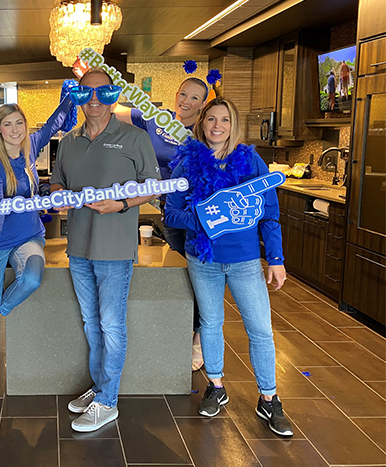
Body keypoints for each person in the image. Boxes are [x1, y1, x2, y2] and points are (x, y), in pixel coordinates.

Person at [164, 97, 294, 437]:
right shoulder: (188, 162)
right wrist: (204, 219)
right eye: (211, 119)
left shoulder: (250, 161)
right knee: (210, 323)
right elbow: (171, 213)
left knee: (261, 329)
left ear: (233, 125)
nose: (217, 126)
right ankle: (216, 386)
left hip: (245, 260)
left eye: (224, 120)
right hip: (202, 259)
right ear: (202, 123)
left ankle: (269, 398)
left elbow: (269, 213)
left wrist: (276, 259)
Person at [50, 68, 159, 433]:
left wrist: (124, 204)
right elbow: (57, 179)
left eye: (101, 92)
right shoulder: (68, 141)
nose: (93, 99)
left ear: (113, 96)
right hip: (78, 246)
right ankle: (101, 389)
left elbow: (154, 187)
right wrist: (56, 192)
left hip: (114, 249)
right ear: (78, 97)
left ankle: (108, 402)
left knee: (112, 326)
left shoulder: (134, 137)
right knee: (92, 325)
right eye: (85, 92)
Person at [0, 97, 73, 405]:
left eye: (19, 123)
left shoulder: (30, 146)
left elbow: (56, 121)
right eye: (7, 125)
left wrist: (71, 93)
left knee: (30, 279)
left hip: (29, 237)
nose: (15, 129)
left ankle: (3, 308)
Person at [115, 77, 208, 371]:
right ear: (176, 94)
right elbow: (112, 110)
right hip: (168, 209)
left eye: (195, 98)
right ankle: (181, 330)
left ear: (203, 105)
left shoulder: (205, 133)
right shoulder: (155, 118)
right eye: (183, 94)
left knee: (200, 278)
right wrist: (97, 88)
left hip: (197, 216)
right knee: (181, 275)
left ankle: (198, 339)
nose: (186, 101)